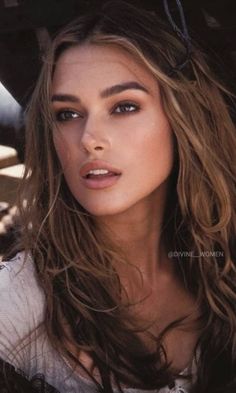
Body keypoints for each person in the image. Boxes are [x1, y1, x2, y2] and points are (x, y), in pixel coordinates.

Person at [0, 1, 235, 392]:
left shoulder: (218, 271)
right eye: (67, 114)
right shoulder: (19, 302)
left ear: (181, 120)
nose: (90, 139)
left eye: (124, 107)